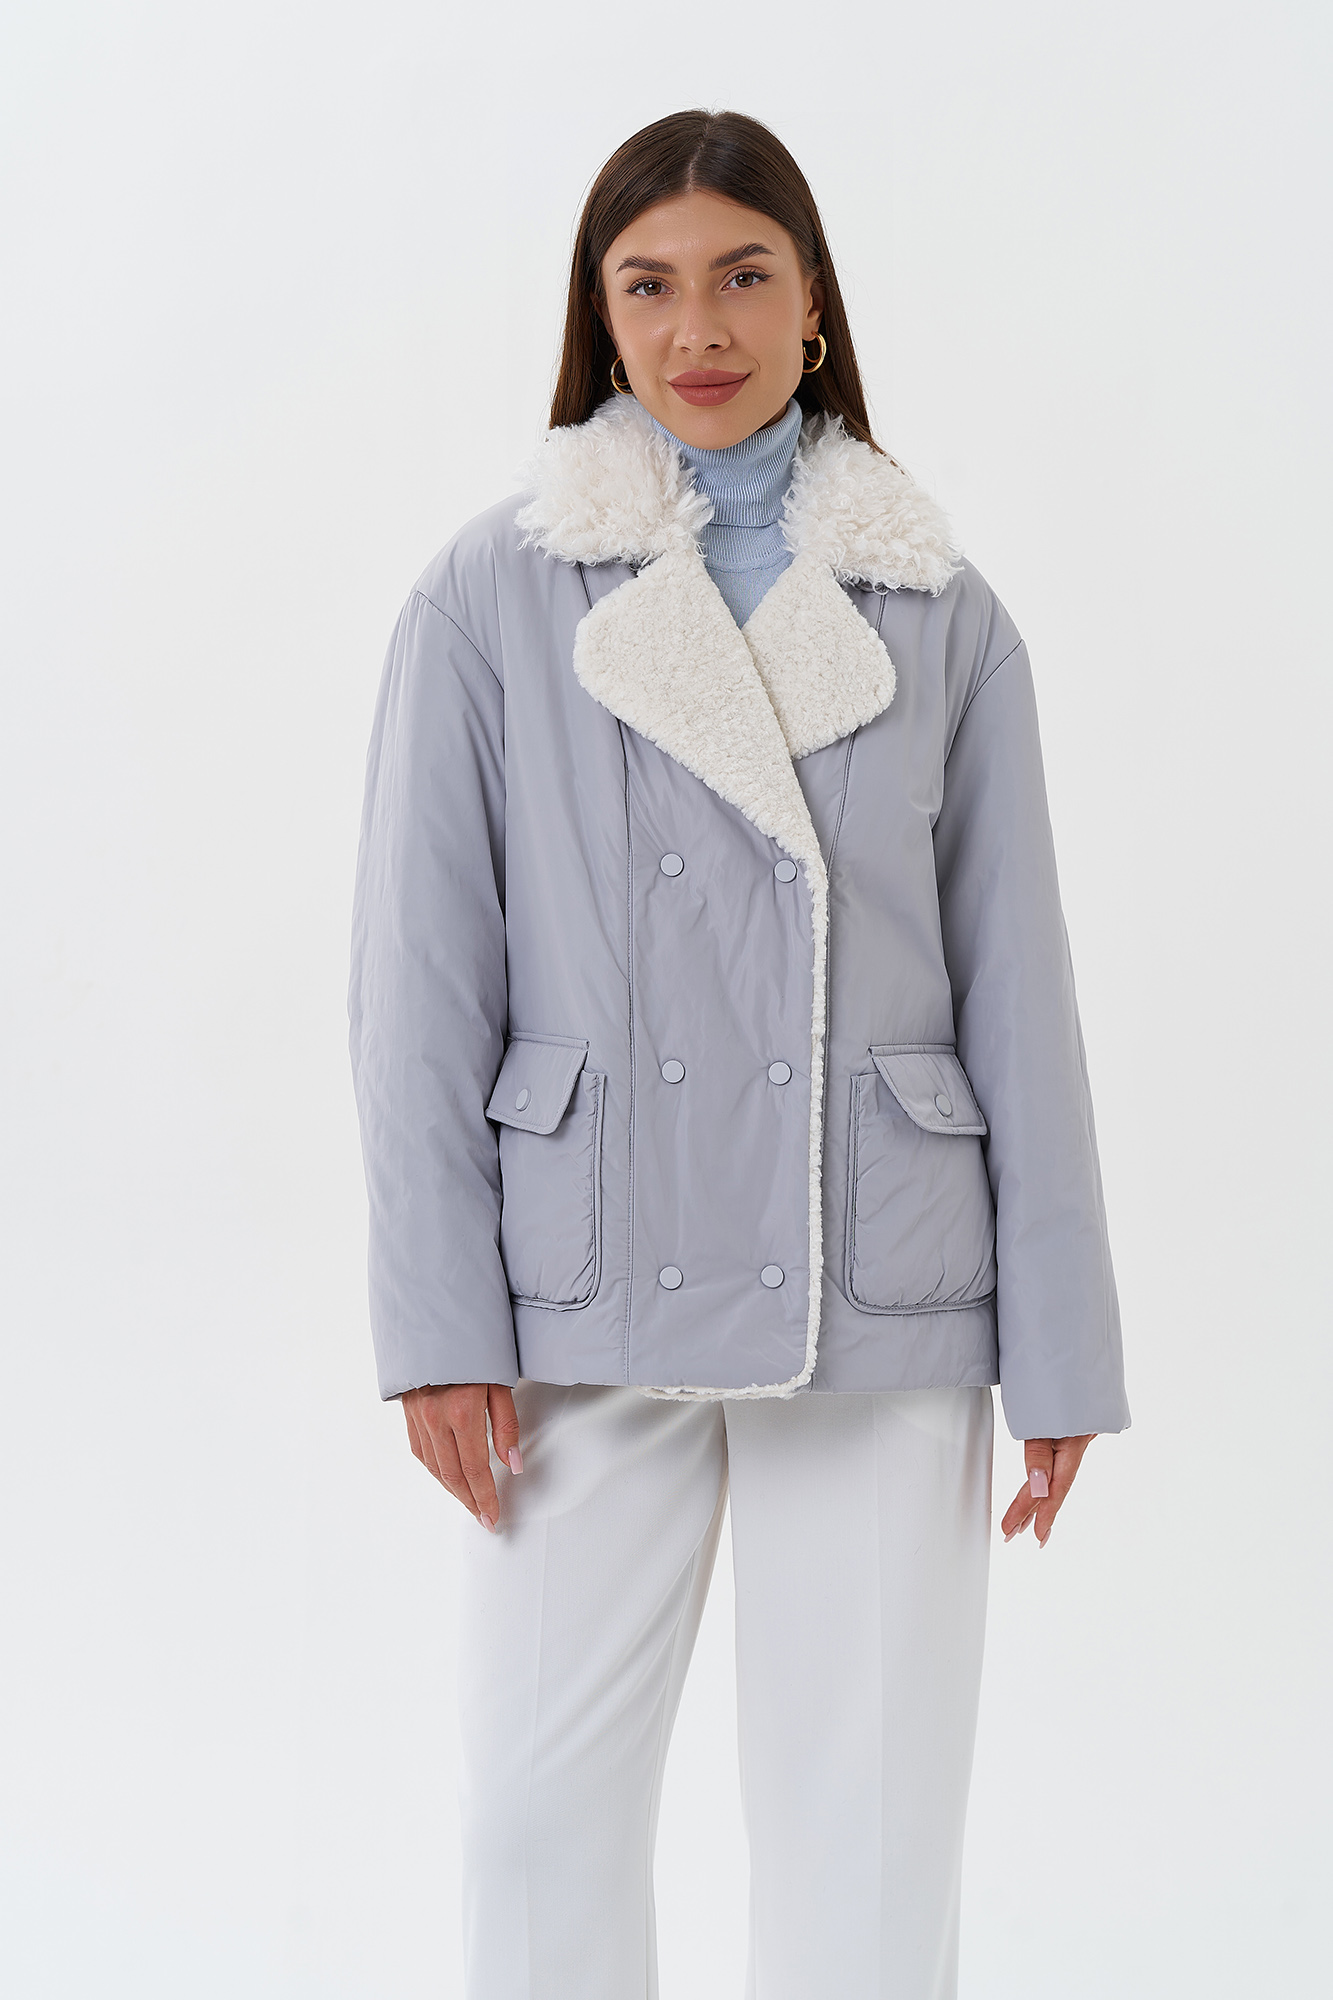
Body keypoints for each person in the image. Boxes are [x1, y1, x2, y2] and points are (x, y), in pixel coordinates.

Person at [348, 106, 1129, 2000]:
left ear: (813, 305)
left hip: (875, 1281)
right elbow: (416, 983)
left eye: (742, 276)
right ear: (599, 317)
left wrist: (1061, 1345)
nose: (697, 326)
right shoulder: (490, 592)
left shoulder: (942, 611)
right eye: (649, 285)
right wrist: (435, 1326)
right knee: (533, 1821)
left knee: (866, 1836)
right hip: (578, 1287)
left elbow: (1018, 985)